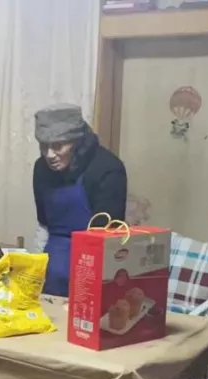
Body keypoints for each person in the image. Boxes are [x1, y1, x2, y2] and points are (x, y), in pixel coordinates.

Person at [32, 103, 127, 296]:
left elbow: (109, 238)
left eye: (58, 146)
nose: (49, 155)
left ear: (76, 141)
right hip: (52, 272)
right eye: (44, 146)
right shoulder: (41, 169)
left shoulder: (108, 169)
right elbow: (43, 225)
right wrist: (34, 273)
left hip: (94, 269)